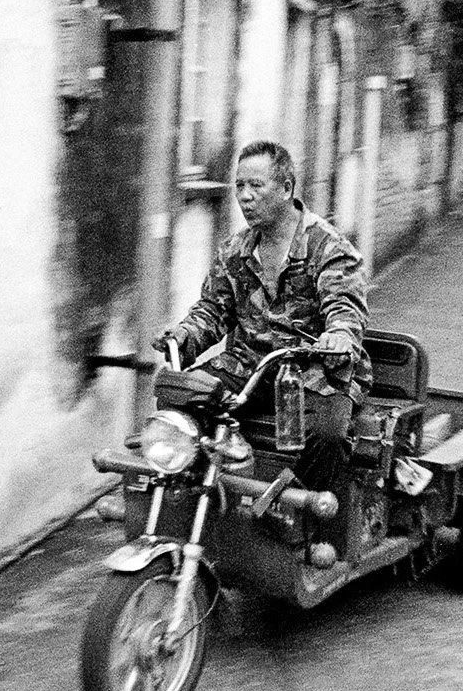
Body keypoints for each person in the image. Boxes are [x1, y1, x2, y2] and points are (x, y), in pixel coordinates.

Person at [153, 141, 370, 551]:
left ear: (287, 187)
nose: (245, 197)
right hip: (249, 365)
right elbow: (212, 311)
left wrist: (340, 335)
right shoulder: (235, 250)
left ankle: (306, 521)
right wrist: (183, 334)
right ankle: (194, 503)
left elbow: (345, 306)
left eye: (256, 185)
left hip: (314, 369)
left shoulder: (328, 247)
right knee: (179, 400)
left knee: (327, 434)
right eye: (238, 187)